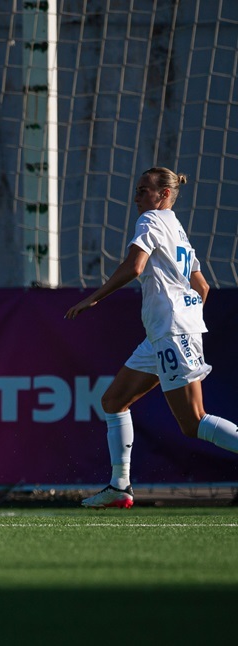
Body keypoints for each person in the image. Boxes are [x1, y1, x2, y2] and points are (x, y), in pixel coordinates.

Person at [65, 167, 238, 508]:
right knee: (113, 401)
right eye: (138, 189)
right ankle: (119, 487)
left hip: (171, 332)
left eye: (144, 190)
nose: (137, 197)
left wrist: (93, 297)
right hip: (164, 334)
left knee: (194, 422)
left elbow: (135, 266)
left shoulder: (150, 221)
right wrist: (184, 318)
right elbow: (201, 286)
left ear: (163, 195)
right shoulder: (176, 227)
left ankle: (120, 487)